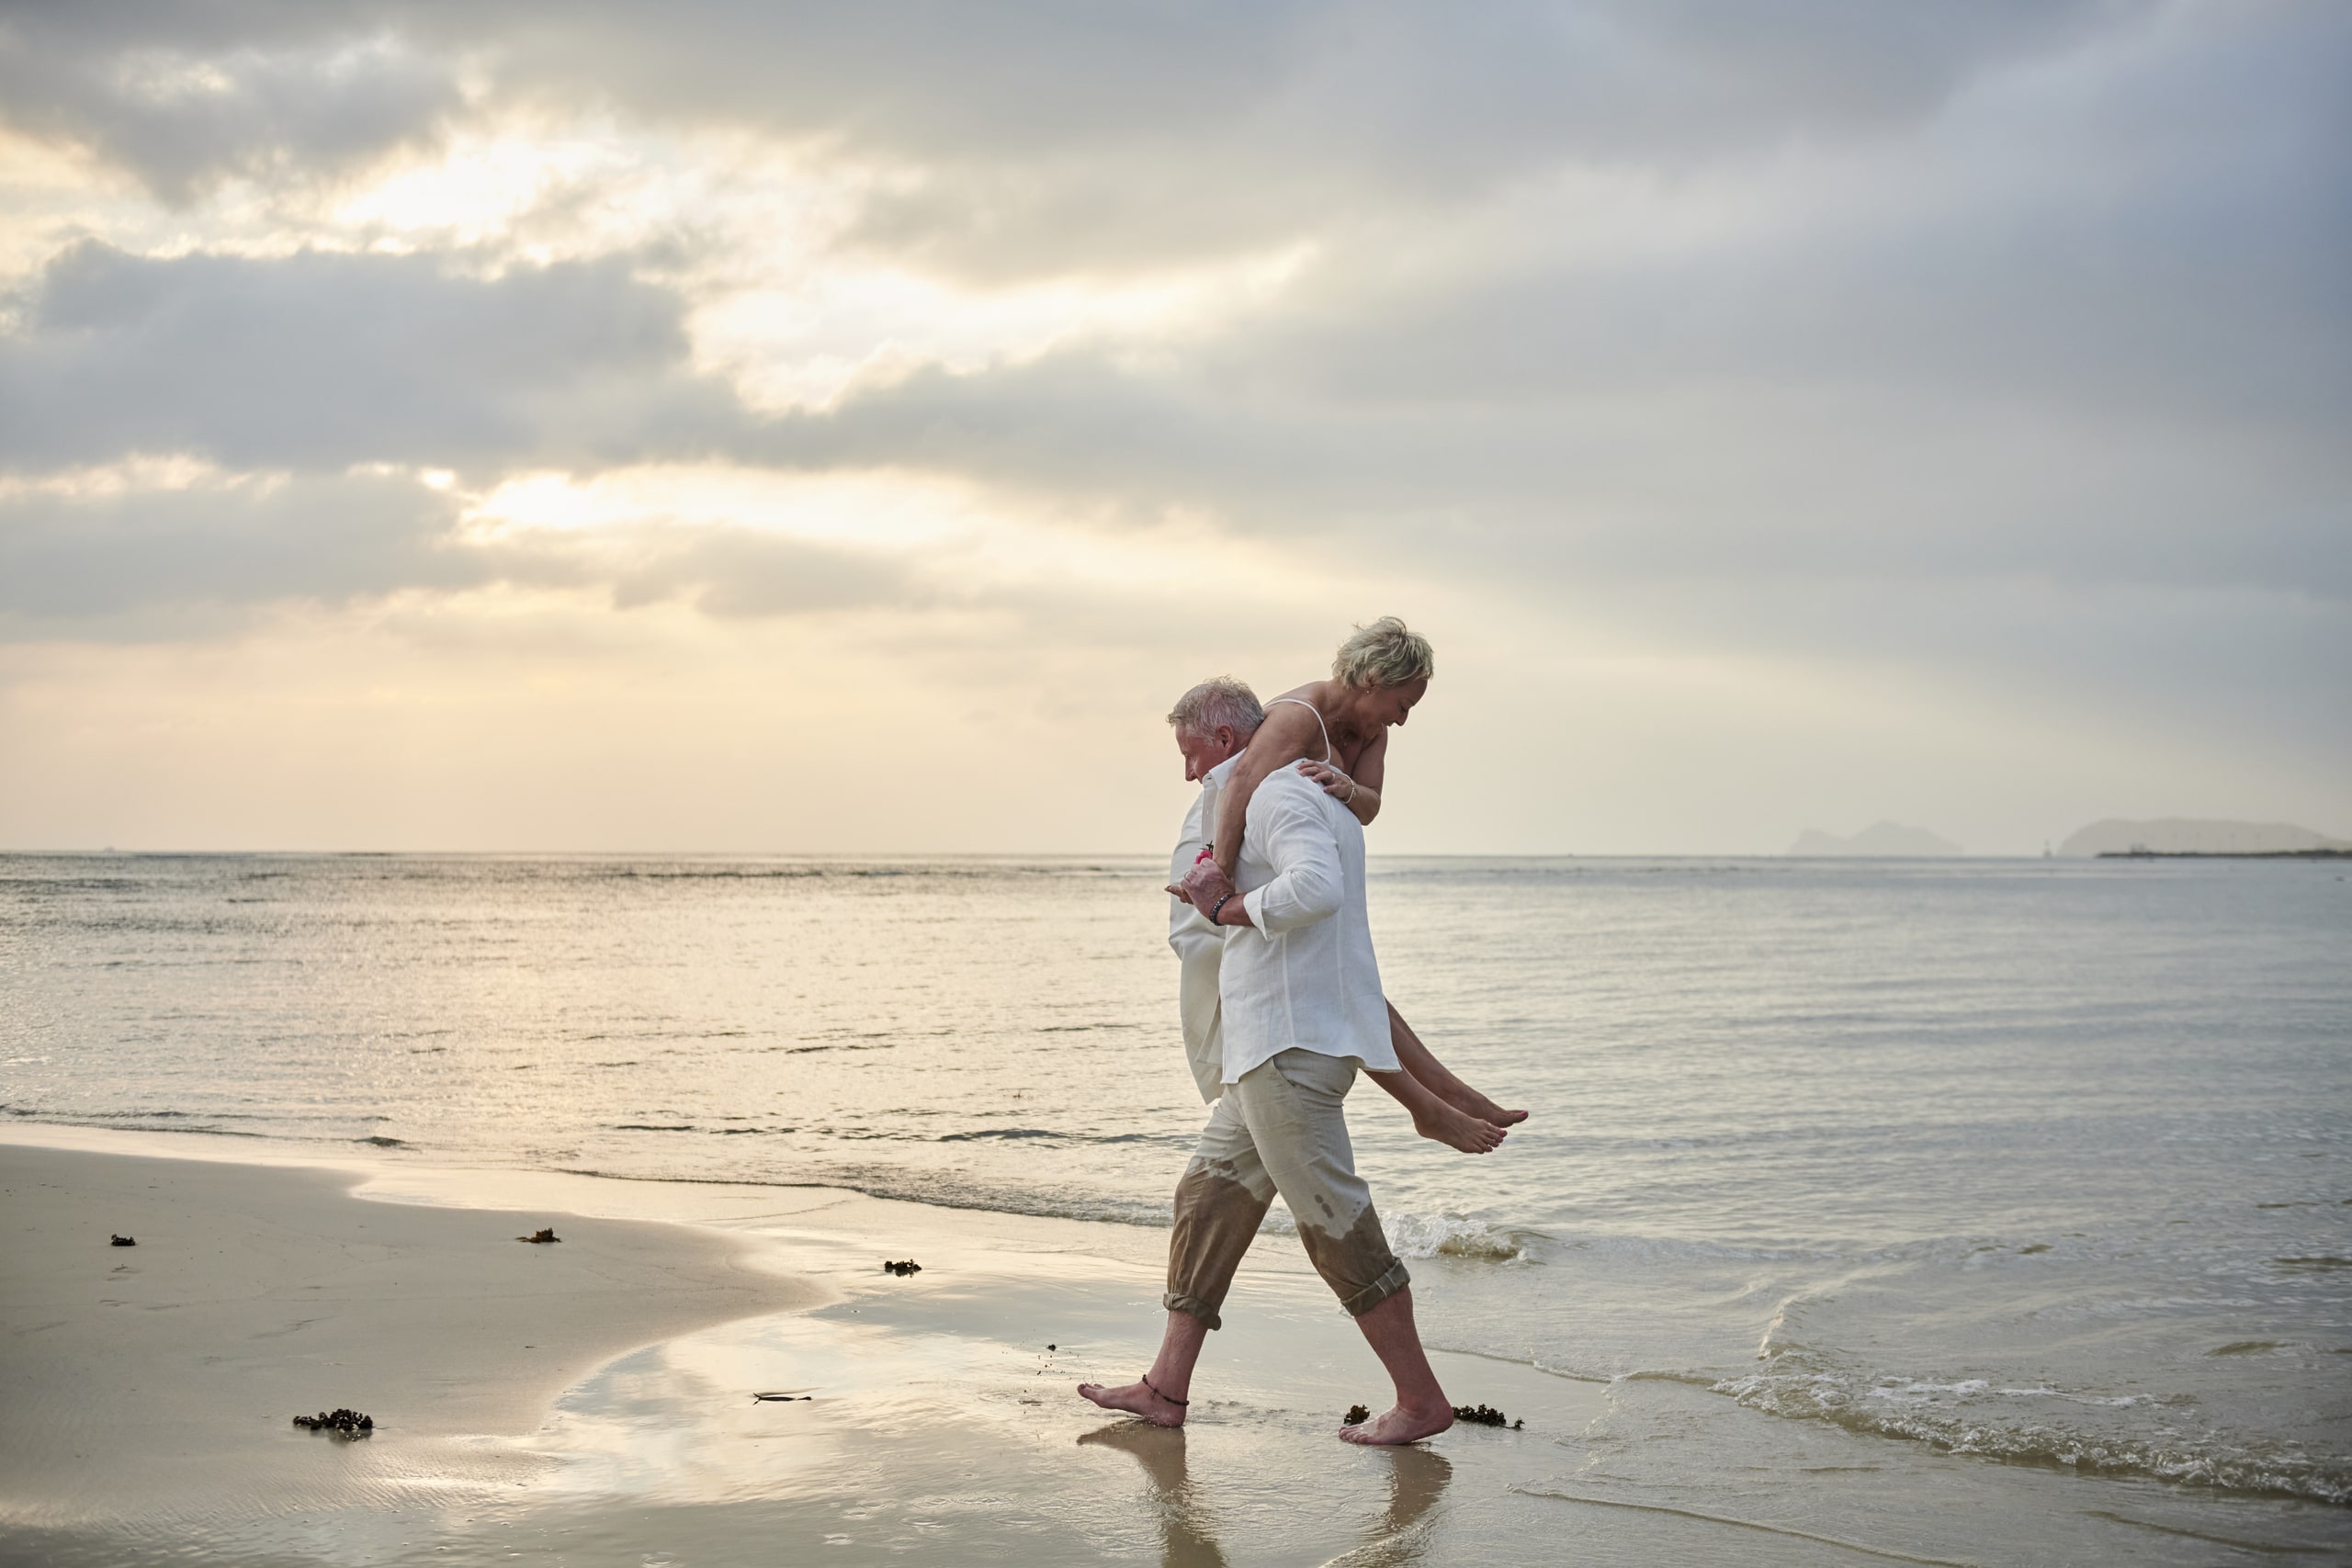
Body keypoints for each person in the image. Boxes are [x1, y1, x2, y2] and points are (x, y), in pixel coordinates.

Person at [1079, 677, 1462, 1446]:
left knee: (1334, 1221)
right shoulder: (1262, 795)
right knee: (1206, 1199)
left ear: (1227, 740)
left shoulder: (1277, 795)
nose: (1189, 772)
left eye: (1192, 754)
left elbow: (1314, 891)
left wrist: (1228, 908)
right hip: (1263, 1047)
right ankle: (1165, 1387)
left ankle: (1421, 1398)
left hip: (1286, 1051)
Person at [1164, 677, 1521, 1152]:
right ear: (1372, 683)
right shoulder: (1291, 725)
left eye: (1191, 756)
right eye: (1402, 703)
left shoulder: (1361, 733)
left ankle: (1441, 1098)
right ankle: (1433, 1103)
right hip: (1214, 876)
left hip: (1238, 877)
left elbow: (1369, 805)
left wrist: (1348, 787)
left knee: (1344, 983)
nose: (1403, 718)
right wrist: (1218, 884)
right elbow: (1241, 787)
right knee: (1334, 990)